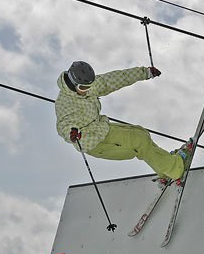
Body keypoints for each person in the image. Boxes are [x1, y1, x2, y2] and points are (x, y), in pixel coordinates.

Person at [55, 61, 192, 183]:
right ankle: (176, 169)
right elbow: (63, 125)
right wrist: (71, 133)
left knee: (141, 133)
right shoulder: (65, 103)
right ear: (74, 84)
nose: (87, 91)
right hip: (92, 141)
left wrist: (145, 72)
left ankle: (165, 168)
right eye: (84, 89)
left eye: (89, 87)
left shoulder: (87, 87)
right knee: (139, 141)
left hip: (100, 128)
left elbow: (115, 79)